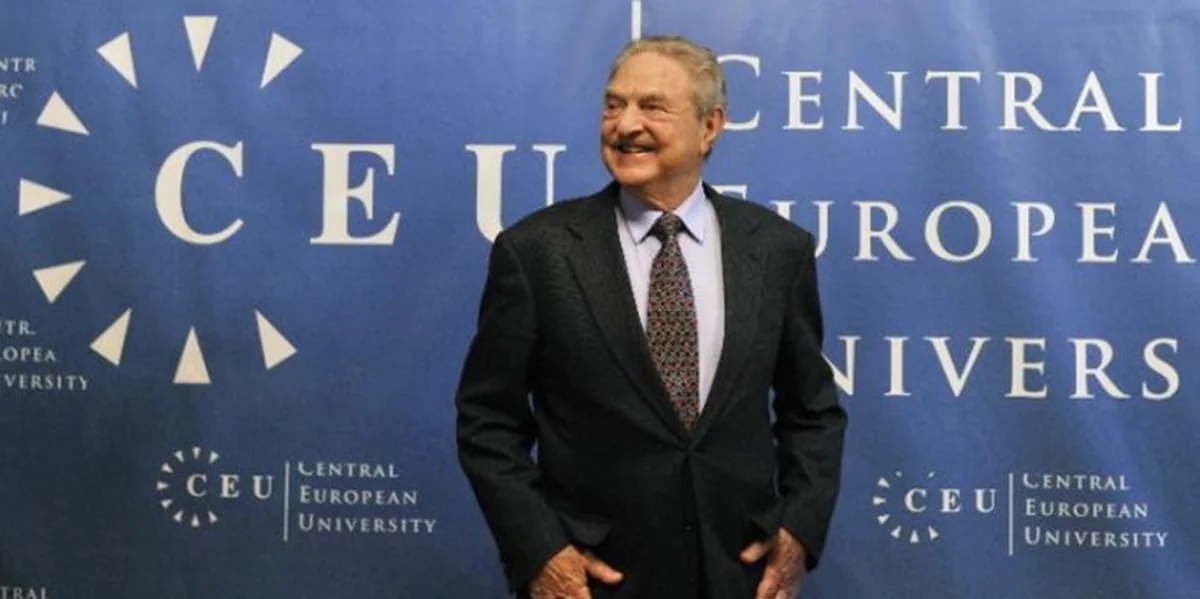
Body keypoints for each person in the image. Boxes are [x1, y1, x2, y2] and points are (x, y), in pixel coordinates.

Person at [455, 35, 847, 599]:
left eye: (653, 107)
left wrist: (798, 532)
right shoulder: (536, 252)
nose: (625, 125)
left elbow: (812, 412)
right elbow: (487, 421)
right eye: (613, 105)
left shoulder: (777, 249)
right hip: (592, 582)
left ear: (710, 127)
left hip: (737, 575)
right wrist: (539, 551)